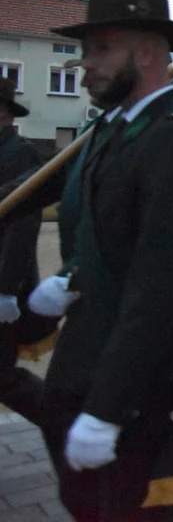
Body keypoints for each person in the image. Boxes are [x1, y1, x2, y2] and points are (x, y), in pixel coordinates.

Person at [27, 0, 173, 521]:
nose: (86, 64)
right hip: (91, 355)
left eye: (102, 48)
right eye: (86, 50)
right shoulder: (115, 131)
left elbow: (166, 291)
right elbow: (110, 237)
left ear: (146, 53)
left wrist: (107, 411)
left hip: (142, 382)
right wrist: (70, 279)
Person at [0, 78, 48, 425]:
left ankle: (66, 422)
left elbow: (23, 227)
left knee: (2, 377)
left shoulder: (21, 153)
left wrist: (6, 289)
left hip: (2, 285)